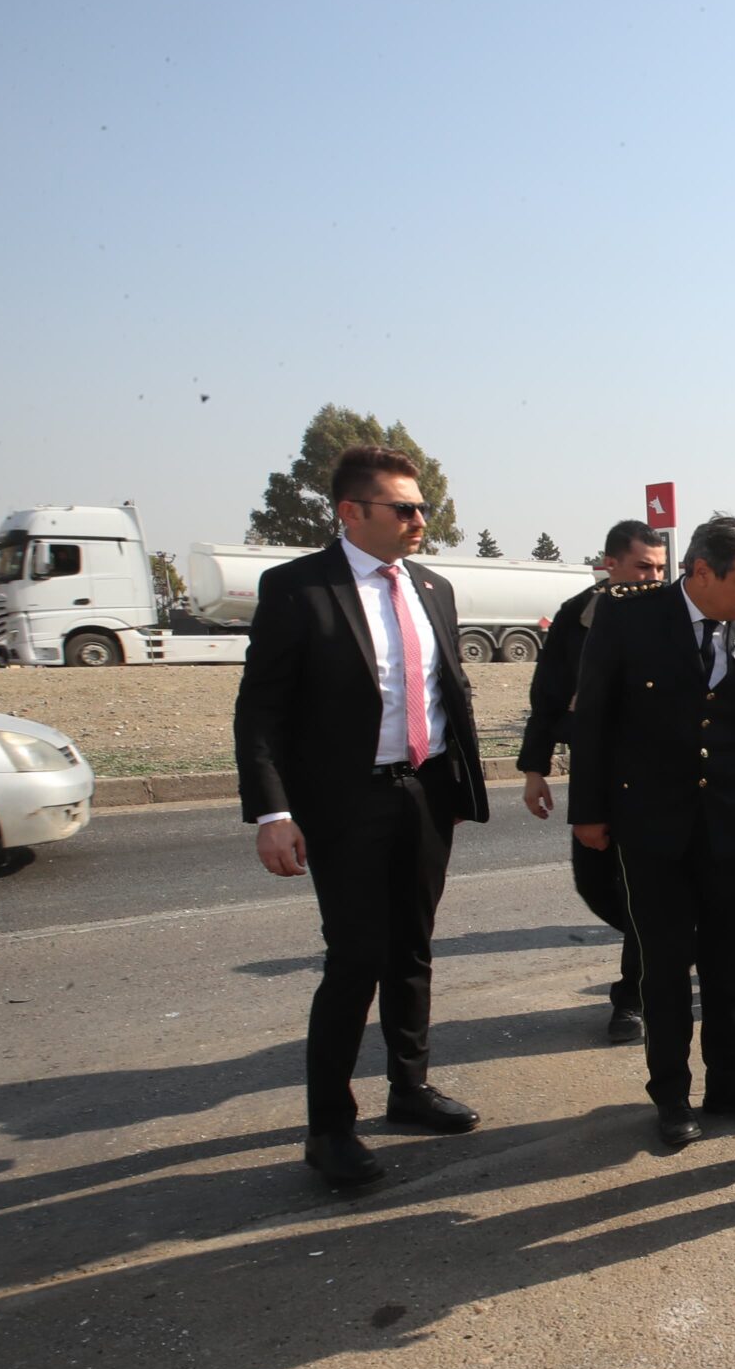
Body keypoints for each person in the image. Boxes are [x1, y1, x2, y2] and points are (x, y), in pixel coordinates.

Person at [234, 443, 488, 1190]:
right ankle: (329, 1129)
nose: (419, 519)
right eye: (403, 508)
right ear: (351, 511)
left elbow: (446, 689)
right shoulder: (299, 587)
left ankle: (410, 1088)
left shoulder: (432, 586)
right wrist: (273, 810)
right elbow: (261, 708)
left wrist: (456, 786)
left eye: (422, 507)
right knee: (355, 959)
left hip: (425, 792)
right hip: (346, 801)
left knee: (412, 947)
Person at [569, 517, 735, 1148]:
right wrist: (588, 812)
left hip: (729, 826)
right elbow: (594, 718)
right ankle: (670, 1094)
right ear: (701, 572)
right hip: (652, 826)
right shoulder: (628, 616)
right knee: (664, 967)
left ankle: (730, 1081)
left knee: (730, 963)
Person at [517, 518, 667, 1045]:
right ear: (610, 564)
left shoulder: (673, 613)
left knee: (642, 890)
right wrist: (535, 769)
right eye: (642, 567)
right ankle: (667, 945)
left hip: (654, 775)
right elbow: (548, 694)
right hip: (595, 771)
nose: (653, 578)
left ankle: (633, 997)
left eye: (660, 569)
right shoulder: (578, 615)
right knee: (596, 883)